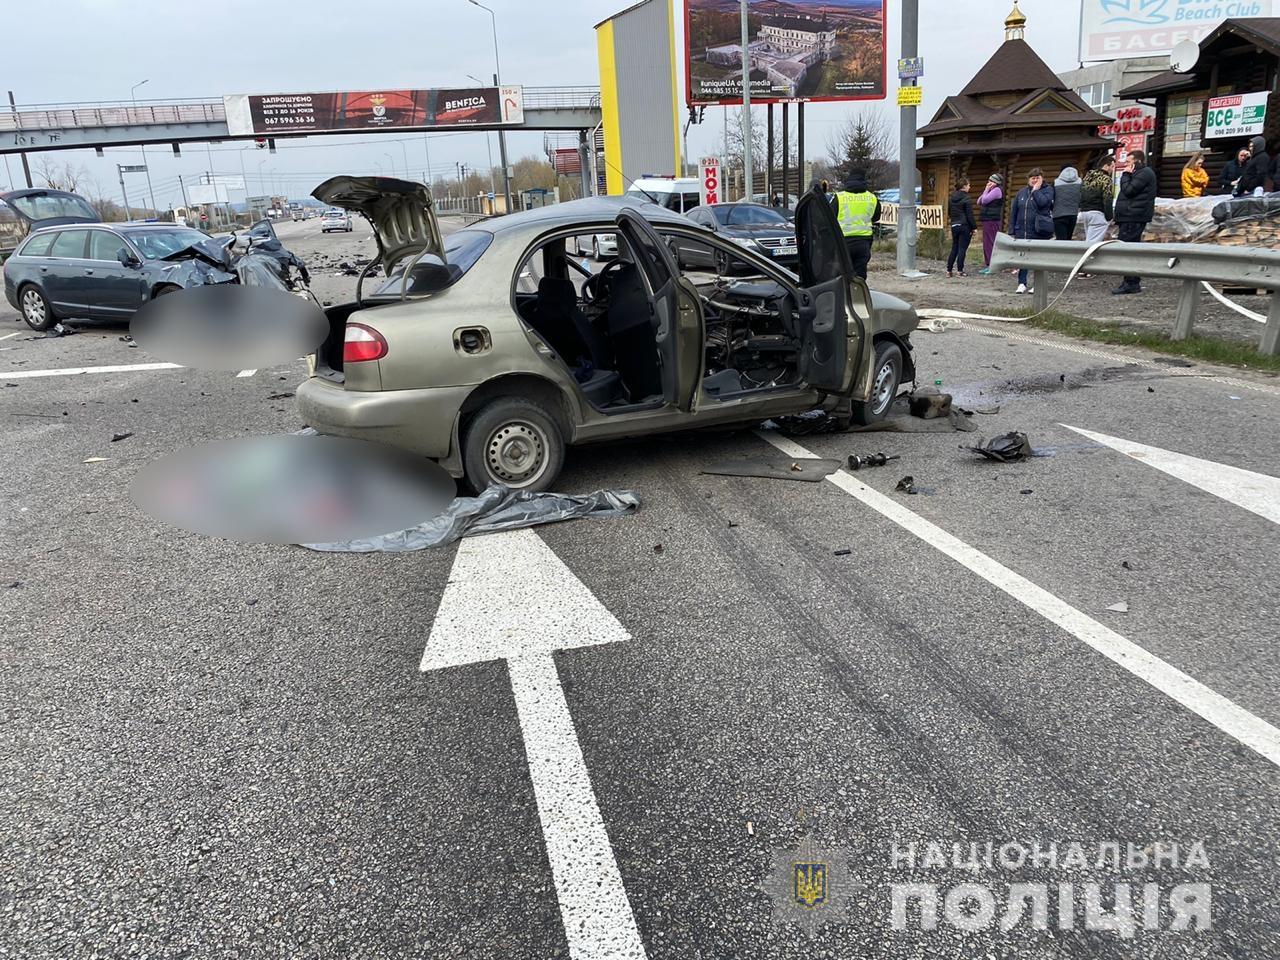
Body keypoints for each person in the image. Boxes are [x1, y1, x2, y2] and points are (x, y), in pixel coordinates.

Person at [1112, 149, 1157, 295]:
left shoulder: (1143, 173)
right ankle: (1130, 281)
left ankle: (1131, 282)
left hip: (1133, 216)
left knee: (1127, 250)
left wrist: (1125, 175)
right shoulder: (1140, 174)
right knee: (1126, 249)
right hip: (1130, 215)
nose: (1126, 165)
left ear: (1136, 161)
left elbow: (1129, 190)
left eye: (1129, 162)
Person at [1009, 168, 1054, 294]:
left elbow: (1043, 203)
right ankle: (1022, 283)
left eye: (1037, 178)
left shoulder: (1048, 190)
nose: (1034, 180)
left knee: (1038, 258)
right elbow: (1014, 212)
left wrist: (1036, 190)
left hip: (1039, 230)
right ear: (1028, 179)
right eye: (1032, 178)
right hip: (1022, 231)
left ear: (1041, 178)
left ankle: (1037, 284)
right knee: (1023, 258)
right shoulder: (1021, 193)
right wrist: (1012, 230)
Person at [833, 170, 880, 280]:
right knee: (860, 275)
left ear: (848, 181)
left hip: (843, 242)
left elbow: (830, 217)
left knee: (841, 274)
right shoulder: (872, 198)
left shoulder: (839, 197)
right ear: (863, 181)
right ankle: (858, 295)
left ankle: (843, 295)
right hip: (863, 242)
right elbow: (876, 217)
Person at [1078, 157, 1116, 273]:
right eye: (1112, 166)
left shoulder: (1087, 177)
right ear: (1106, 166)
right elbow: (1107, 199)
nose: (1113, 169)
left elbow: (1080, 195)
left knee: (1088, 241)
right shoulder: (1106, 179)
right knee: (1093, 244)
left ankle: (1084, 269)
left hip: (1085, 213)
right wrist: (1110, 217)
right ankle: (1085, 269)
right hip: (1097, 213)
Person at [946, 178, 976, 278]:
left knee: (954, 248)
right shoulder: (966, 198)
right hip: (964, 226)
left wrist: (954, 221)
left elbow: (950, 212)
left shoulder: (951, 198)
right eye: (968, 185)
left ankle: (949, 271)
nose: (969, 187)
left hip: (954, 225)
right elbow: (969, 215)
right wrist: (974, 227)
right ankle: (960, 271)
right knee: (962, 249)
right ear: (964, 186)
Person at [977, 173, 1004, 274]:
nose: (989, 183)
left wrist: (986, 190)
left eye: (991, 181)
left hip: (992, 219)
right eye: (988, 181)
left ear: (996, 182)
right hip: (987, 219)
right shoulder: (991, 190)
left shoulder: (997, 190)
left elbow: (984, 200)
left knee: (990, 243)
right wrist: (986, 190)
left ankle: (992, 265)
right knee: (986, 242)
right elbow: (979, 201)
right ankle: (988, 264)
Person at [1052, 166, 1082, 240]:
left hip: (1058, 215)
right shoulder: (1080, 182)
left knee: (1061, 240)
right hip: (1073, 214)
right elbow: (1082, 196)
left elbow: (1051, 198)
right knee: (1068, 239)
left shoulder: (1056, 182)